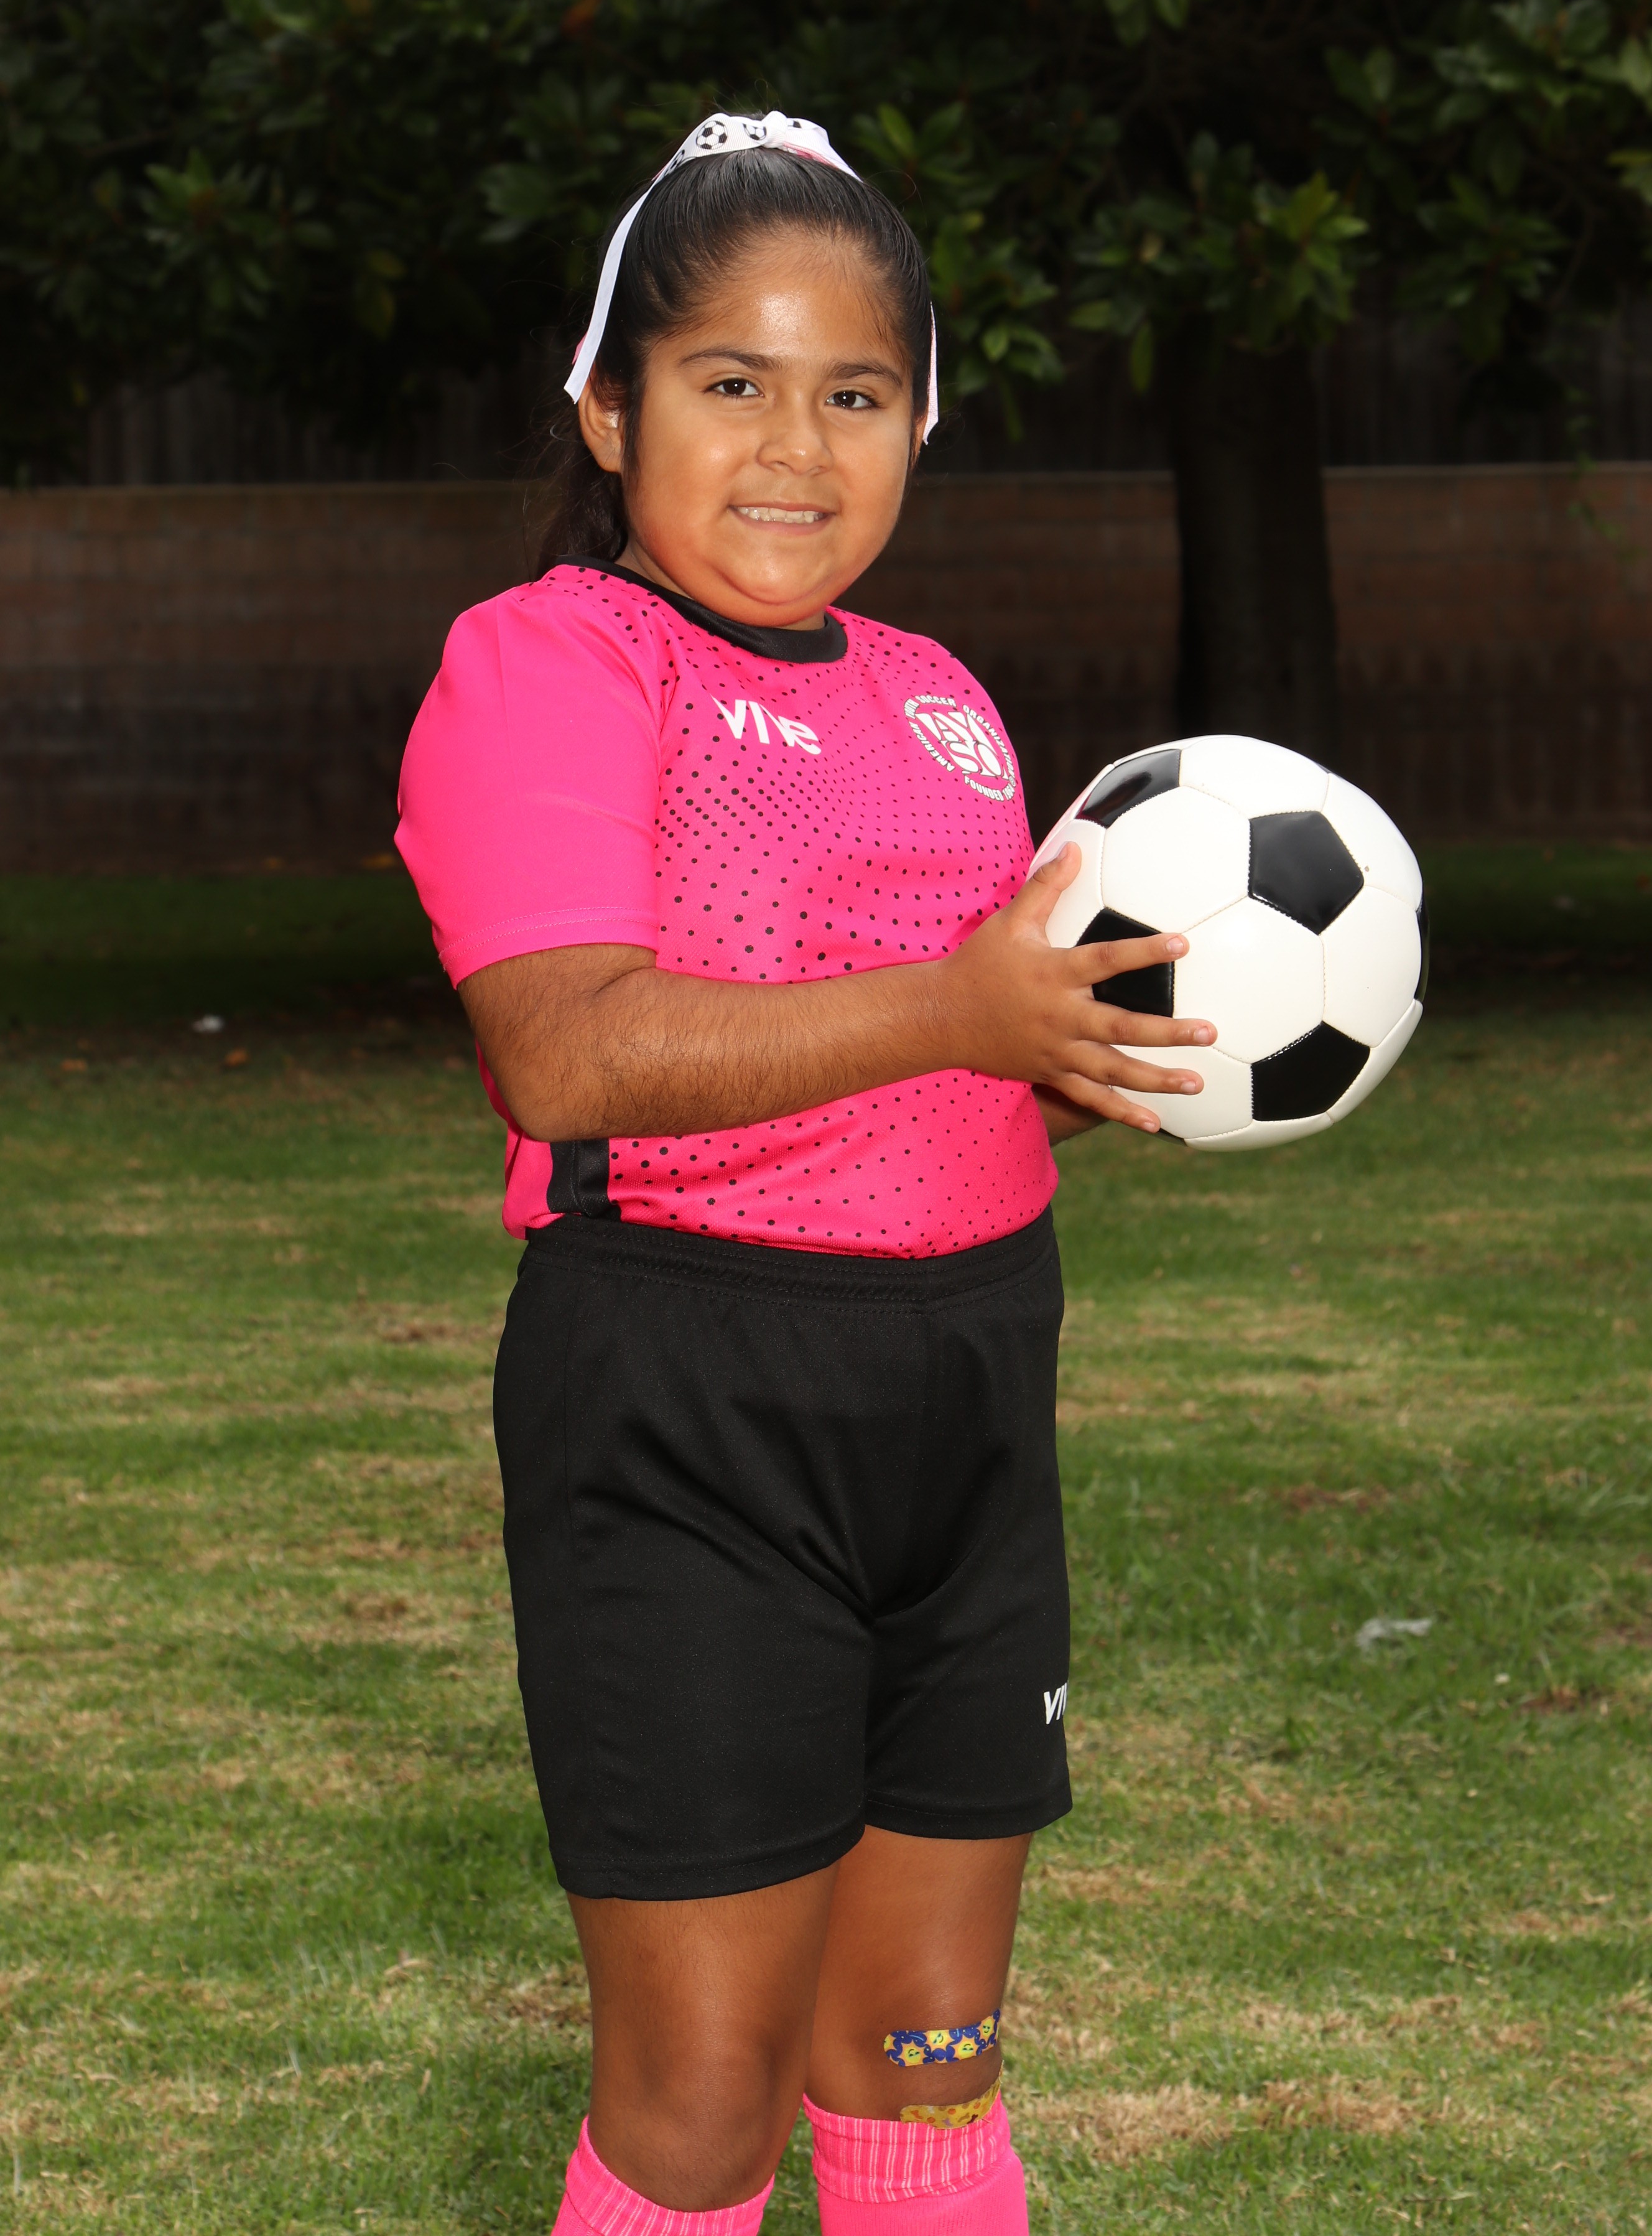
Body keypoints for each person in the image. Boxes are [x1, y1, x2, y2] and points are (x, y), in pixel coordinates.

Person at [396, 112, 1214, 2236]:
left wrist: (1089, 1061)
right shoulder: (553, 662)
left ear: (919, 425)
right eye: (730, 383)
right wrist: (961, 1008)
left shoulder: (945, 706)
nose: (794, 446)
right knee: (703, 2099)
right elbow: (570, 1052)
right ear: (610, 411)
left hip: (965, 1420)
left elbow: (934, 1072)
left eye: (856, 394)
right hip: (692, 1421)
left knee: (928, 2050)